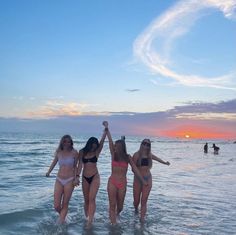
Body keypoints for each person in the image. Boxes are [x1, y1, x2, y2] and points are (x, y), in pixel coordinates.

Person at [104, 121, 147, 225]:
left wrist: (142, 181)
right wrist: (107, 128)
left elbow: (135, 169)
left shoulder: (128, 157)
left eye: (117, 146)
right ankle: (113, 226)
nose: (114, 147)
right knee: (112, 204)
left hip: (122, 183)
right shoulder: (113, 154)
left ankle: (116, 215)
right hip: (112, 182)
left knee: (120, 207)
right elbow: (109, 141)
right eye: (114, 146)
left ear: (121, 147)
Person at [76, 123, 107, 227]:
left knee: (92, 198)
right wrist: (77, 177)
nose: (94, 148)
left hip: (95, 176)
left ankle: (90, 221)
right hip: (85, 177)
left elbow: (102, 142)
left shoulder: (97, 151)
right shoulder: (82, 152)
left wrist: (106, 129)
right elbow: (80, 165)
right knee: (86, 200)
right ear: (89, 144)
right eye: (92, 147)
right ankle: (87, 217)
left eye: (95, 147)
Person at [132, 139, 170, 222]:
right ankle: (136, 210)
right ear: (141, 144)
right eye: (144, 143)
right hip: (138, 180)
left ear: (149, 146)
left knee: (144, 200)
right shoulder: (136, 155)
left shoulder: (149, 155)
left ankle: (142, 220)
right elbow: (133, 169)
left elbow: (157, 159)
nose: (146, 145)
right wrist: (141, 180)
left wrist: (165, 163)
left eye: (148, 144)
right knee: (136, 201)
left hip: (148, 178)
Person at [46, 135, 79, 224]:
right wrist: (49, 172)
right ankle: (64, 217)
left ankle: (59, 225)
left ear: (71, 143)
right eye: (65, 141)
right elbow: (54, 162)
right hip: (59, 179)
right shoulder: (59, 152)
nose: (66, 143)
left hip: (70, 179)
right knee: (56, 206)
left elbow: (76, 166)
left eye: (68, 141)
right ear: (62, 142)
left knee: (65, 204)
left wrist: (76, 178)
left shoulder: (75, 152)